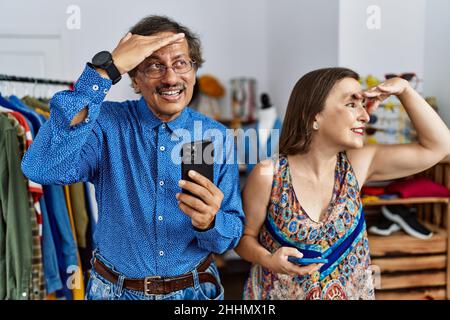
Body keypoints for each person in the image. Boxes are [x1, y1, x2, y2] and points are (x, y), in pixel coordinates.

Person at [21, 15, 245, 300]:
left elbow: (229, 235)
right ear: (135, 78)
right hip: (114, 292)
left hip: (195, 293)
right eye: (154, 65)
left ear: (193, 71)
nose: (171, 78)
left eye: (180, 63)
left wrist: (210, 222)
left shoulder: (214, 136)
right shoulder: (106, 125)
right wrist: (104, 71)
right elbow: (42, 168)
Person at [235, 67, 450, 300]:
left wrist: (404, 90)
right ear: (313, 116)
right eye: (351, 104)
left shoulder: (357, 164)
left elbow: (439, 146)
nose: (365, 116)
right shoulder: (269, 174)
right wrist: (268, 260)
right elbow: (243, 239)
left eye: (363, 104)